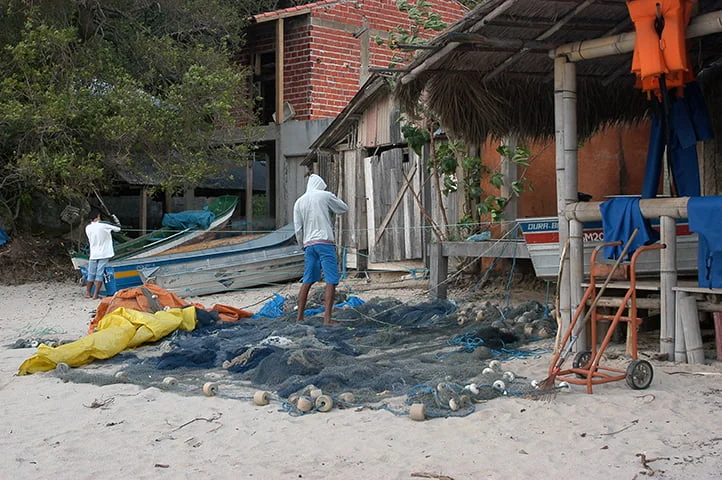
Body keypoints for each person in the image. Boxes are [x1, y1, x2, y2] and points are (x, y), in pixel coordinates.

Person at [293, 173, 348, 325]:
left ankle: (299, 318)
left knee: (307, 280)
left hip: (309, 245)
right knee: (331, 280)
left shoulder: (299, 201)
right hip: (324, 243)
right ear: (320, 185)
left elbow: (298, 228)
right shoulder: (324, 195)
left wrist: (302, 245)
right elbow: (343, 208)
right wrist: (331, 200)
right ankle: (327, 319)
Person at [84, 209, 121, 299]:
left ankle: (88, 293)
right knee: (99, 274)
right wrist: (115, 219)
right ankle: (96, 295)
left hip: (93, 253)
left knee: (91, 273)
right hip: (104, 253)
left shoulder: (88, 228)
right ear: (98, 216)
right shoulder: (104, 225)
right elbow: (118, 228)